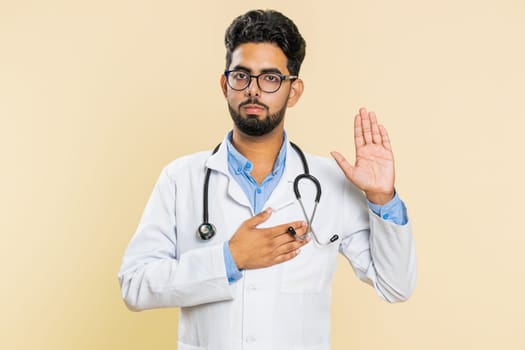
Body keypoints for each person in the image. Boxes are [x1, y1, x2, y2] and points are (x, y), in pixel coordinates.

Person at [118, 9, 416, 350]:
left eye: (271, 78)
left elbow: (396, 286)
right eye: (241, 76)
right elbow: (134, 285)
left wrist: (382, 197)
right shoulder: (180, 178)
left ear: (294, 91)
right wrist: (230, 259)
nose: (253, 90)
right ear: (224, 84)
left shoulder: (330, 183)